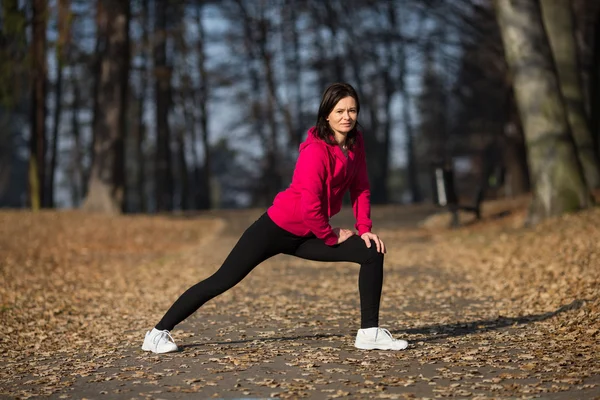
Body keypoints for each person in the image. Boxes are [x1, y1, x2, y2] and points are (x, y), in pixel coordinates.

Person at [142, 82, 408, 353]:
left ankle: (369, 333)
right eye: (339, 111)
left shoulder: (356, 143)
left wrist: (364, 228)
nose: (347, 117)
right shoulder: (315, 151)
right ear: (326, 114)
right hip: (277, 229)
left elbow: (360, 187)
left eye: (352, 110)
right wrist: (331, 235)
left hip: (309, 234)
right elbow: (310, 206)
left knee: (371, 250)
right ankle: (157, 333)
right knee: (222, 280)